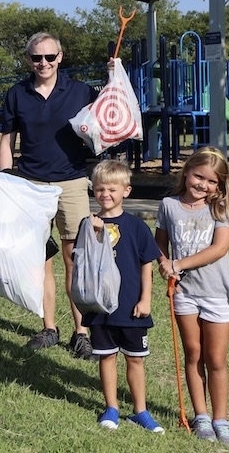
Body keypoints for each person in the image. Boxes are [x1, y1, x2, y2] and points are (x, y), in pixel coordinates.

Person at [0, 32, 98, 359]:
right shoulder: (16, 94)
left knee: (75, 259)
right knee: (41, 261)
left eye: (50, 57)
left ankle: (81, 332)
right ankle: (49, 327)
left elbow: (112, 117)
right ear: (28, 59)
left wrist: (115, 76)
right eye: (37, 58)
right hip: (30, 185)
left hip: (71, 182)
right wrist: (3, 182)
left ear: (61, 57)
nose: (43, 63)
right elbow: (6, 141)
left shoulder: (82, 91)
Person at [155, 147, 229, 446]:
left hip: (216, 293)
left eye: (212, 181)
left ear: (220, 186)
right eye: (198, 176)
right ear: (187, 172)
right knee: (194, 354)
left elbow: (218, 248)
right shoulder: (168, 205)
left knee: (216, 359)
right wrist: (165, 264)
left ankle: (221, 419)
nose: (203, 185)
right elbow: (160, 245)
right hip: (185, 294)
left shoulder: (219, 209)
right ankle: (201, 415)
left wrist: (178, 264)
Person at [83, 160, 164, 432]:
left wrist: (146, 299)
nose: (105, 194)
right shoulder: (88, 225)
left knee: (135, 358)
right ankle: (112, 408)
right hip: (100, 307)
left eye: (112, 189)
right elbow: (82, 264)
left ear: (126, 191)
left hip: (131, 306)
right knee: (106, 356)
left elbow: (147, 265)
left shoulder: (137, 226)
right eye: (99, 189)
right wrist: (94, 234)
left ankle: (140, 411)